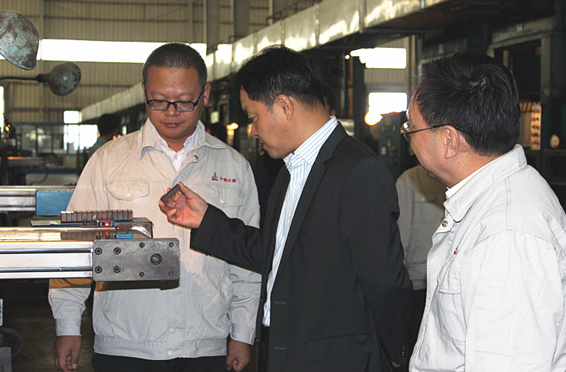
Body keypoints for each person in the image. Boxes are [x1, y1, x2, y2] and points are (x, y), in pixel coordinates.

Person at [160, 45, 412, 372]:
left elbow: (385, 281)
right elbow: (277, 254)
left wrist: (398, 352)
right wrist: (206, 219)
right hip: (286, 354)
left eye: (253, 117)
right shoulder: (291, 170)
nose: (253, 130)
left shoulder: (357, 171)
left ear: (284, 106)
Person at [49, 43, 261, 372]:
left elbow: (247, 263)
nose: (171, 112)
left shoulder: (234, 168)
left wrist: (243, 332)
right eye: (158, 101)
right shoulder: (108, 162)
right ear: (144, 92)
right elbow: (76, 247)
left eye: (184, 101)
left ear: (205, 94)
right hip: (126, 344)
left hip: (205, 344)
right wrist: (67, 326)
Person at [403, 51, 566, 371]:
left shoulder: (507, 236)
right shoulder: (493, 202)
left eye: (412, 128)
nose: (408, 138)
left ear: (449, 141)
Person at [395, 164, 445, 349]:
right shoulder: (410, 180)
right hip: (418, 286)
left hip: (444, 283)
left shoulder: (461, 176)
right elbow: (401, 237)